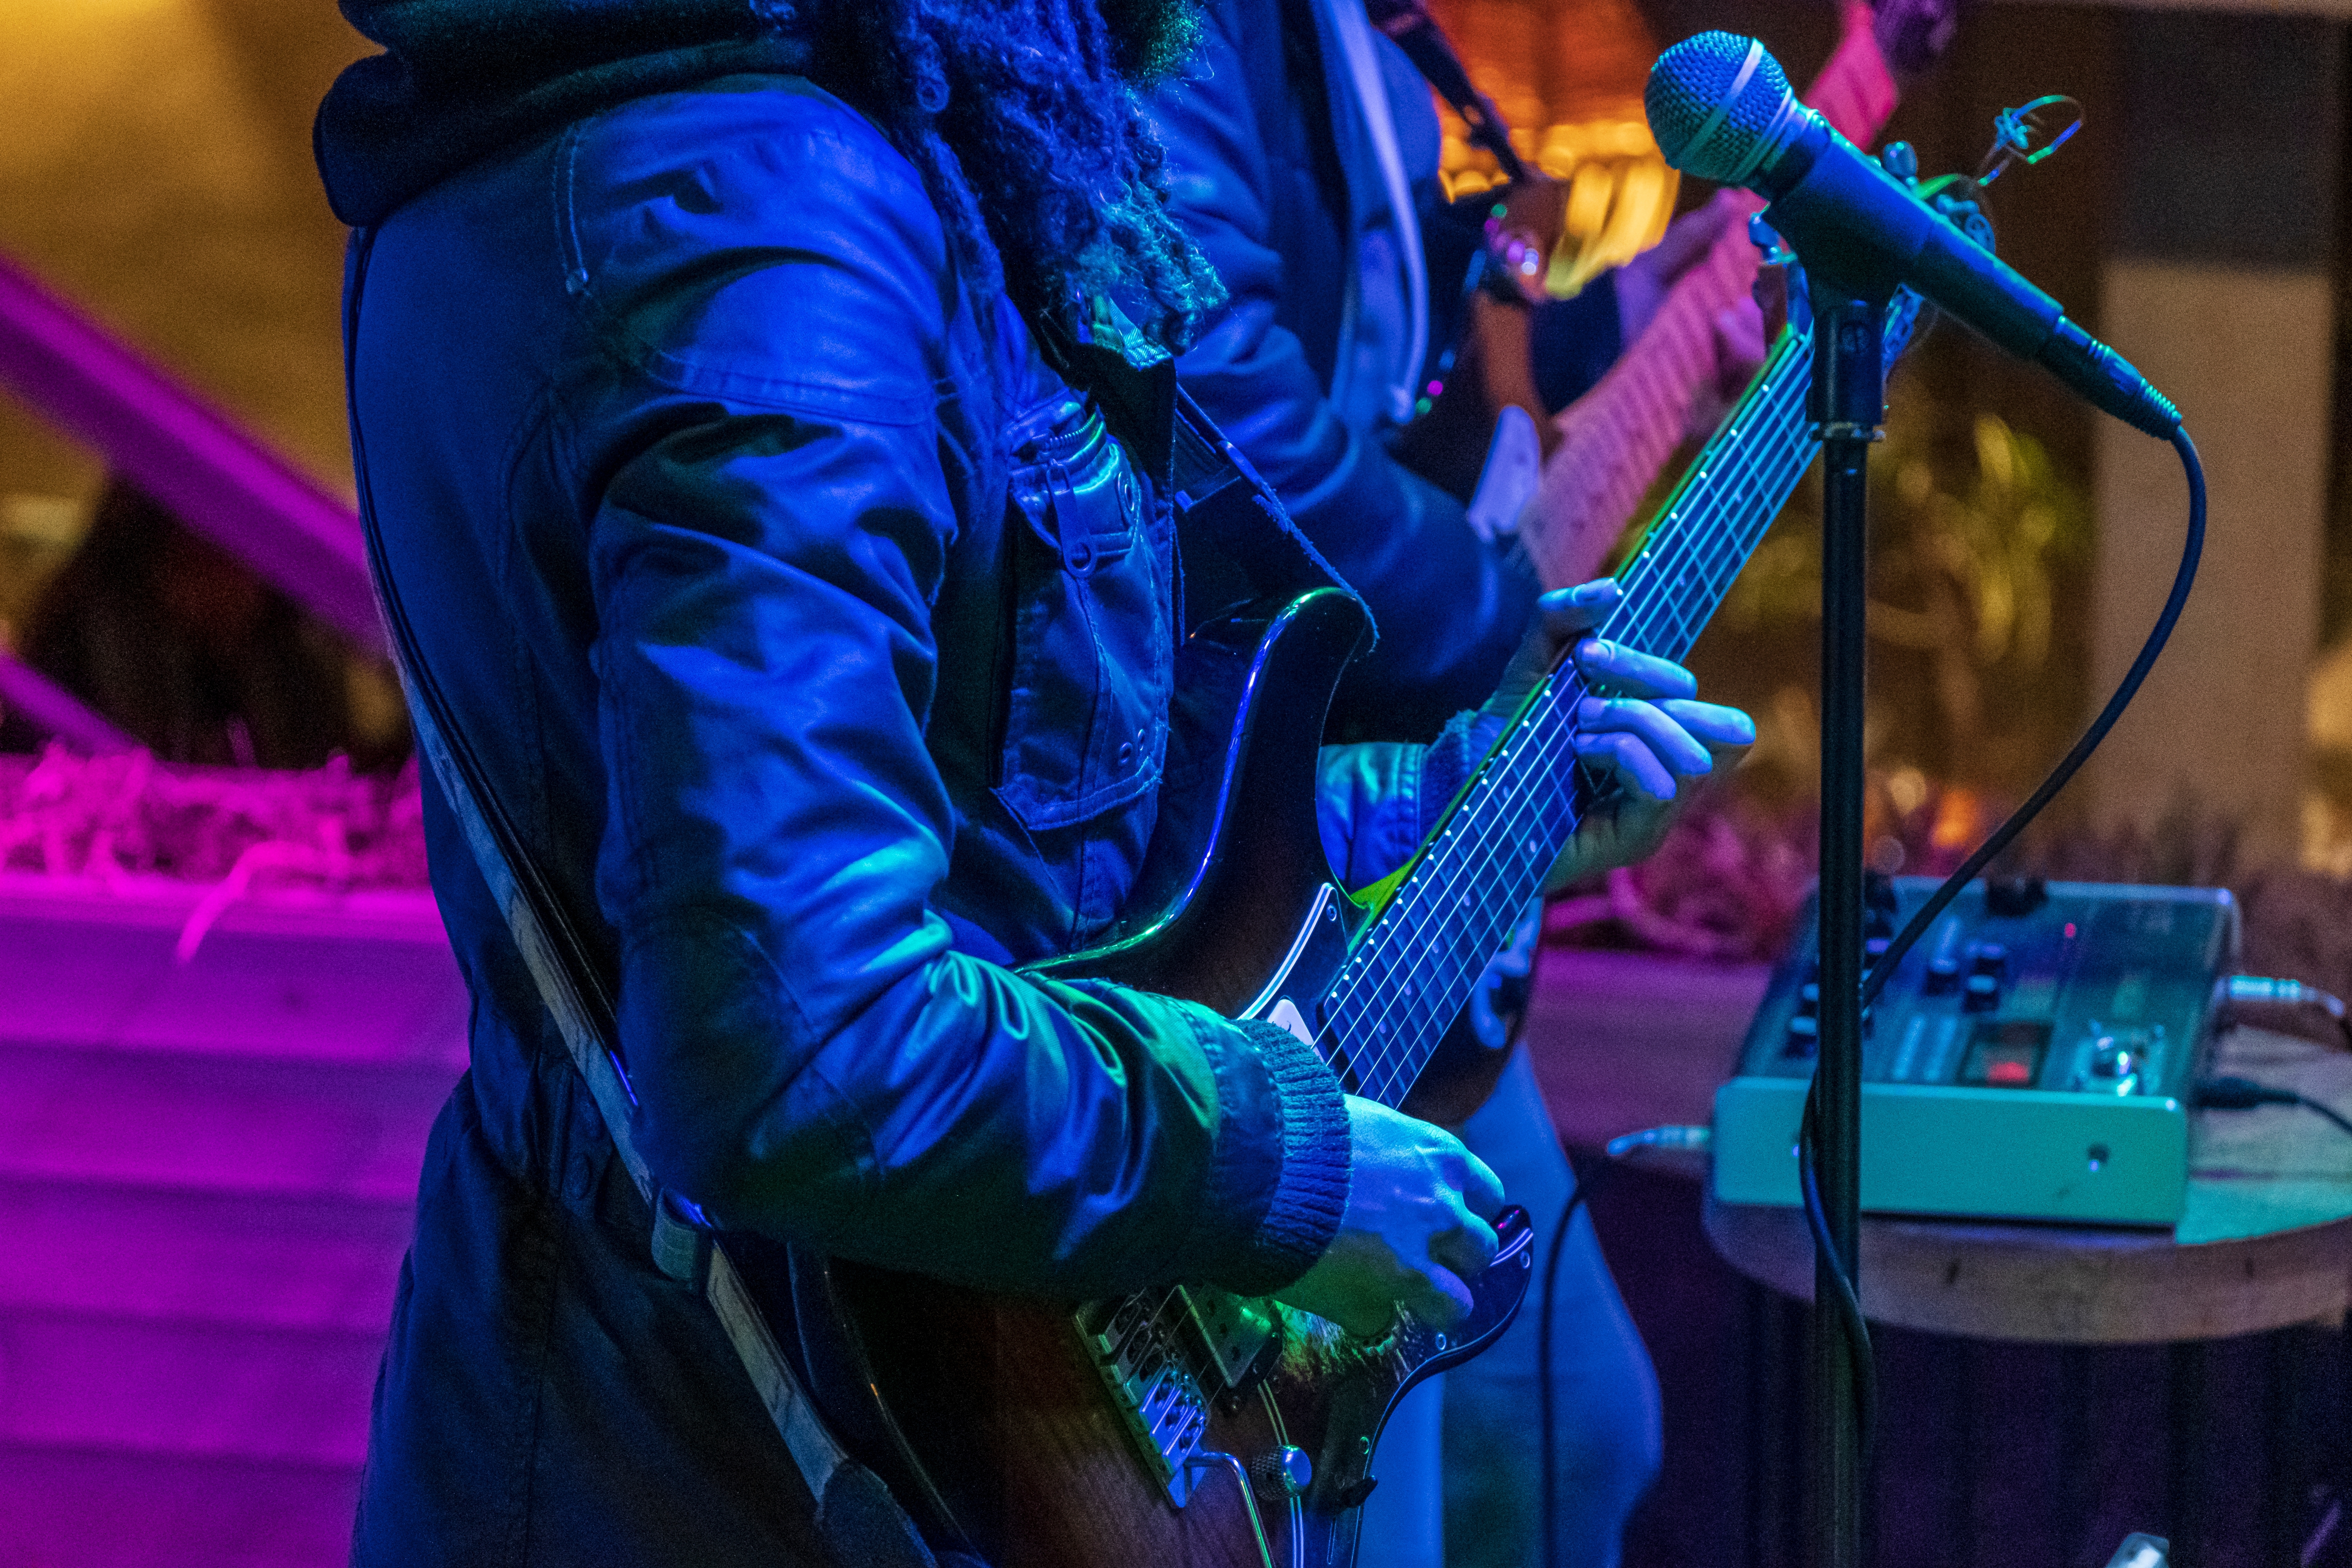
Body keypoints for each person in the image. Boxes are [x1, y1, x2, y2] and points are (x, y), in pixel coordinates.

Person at [315, 2, 1754, 1564]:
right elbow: (809, 1049)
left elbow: (1025, 843)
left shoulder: (723, 148)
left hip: (686, 1422)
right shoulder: (764, 226)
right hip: (747, 1472)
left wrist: (1444, 803)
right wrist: (1285, 1167)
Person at [1147, 7, 1766, 1564]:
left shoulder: (1364, 37)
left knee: (1578, 1442)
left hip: (1375, 833)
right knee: (1383, 1496)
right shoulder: (1201, 27)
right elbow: (1222, 397)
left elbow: (1401, 375)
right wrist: (1490, 626)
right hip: (1265, 868)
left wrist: (1639, 305)